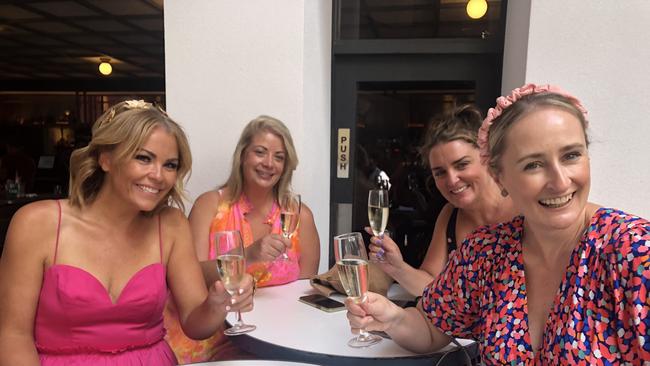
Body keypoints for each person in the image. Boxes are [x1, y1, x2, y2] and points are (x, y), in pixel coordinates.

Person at [346, 84, 650, 364]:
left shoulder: (635, 252)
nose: (560, 181)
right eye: (533, 164)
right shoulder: (485, 251)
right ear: (500, 176)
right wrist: (393, 319)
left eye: (571, 155)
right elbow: (431, 327)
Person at [0, 100, 254, 365]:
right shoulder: (36, 223)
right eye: (144, 158)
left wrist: (217, 304)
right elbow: (13, 336)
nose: (159, 175)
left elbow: (194, 325)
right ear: (105, 158)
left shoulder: (170, 225)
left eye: (170, 165)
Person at [164, 115, 320, 362]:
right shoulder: (210, 205)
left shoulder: (300, 216)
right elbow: (190, 277)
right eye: (260, 152)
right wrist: (247, 255)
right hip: (209, 335)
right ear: (243, 155)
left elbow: (305, 291)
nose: (269, 163)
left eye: (279, 157)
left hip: (277, 336)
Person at [367, 105, 516, 296]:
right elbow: (431, 285)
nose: (452, 180)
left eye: (462, 164)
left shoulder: (526, 208)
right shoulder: (450, 215)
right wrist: (396, 267)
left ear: (487, 157)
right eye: (440, 173)